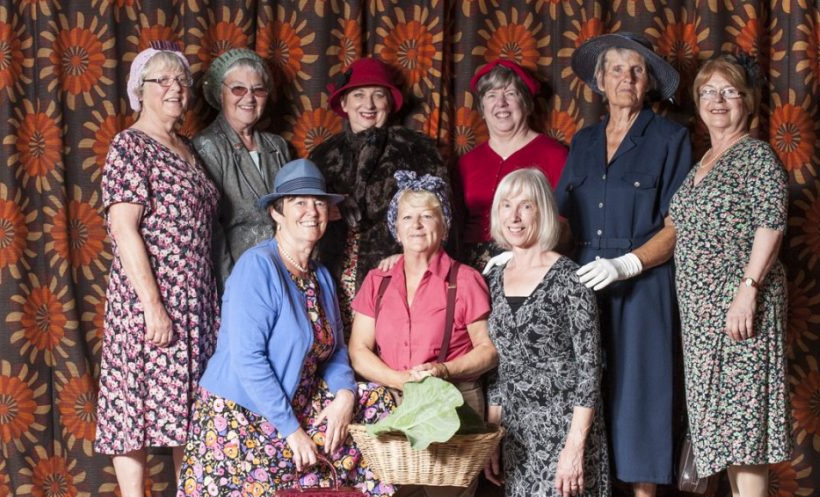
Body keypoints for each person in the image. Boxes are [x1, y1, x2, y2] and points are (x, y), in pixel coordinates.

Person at [174, 159, 397, 497]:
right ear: (277, 213)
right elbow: (248, 359)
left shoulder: (320, 276)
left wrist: (344, 395)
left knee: (375, 401)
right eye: (299, 203)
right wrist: (291, 430)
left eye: (319, 203)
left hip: (297, 405)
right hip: (243, 416)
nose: (312, 212)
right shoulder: (258, 267)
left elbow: (336, 351)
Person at [554, 32, 692, 497]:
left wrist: (629, 262)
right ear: (599, 80)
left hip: (644, 278)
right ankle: (596, 495)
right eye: (616, 70)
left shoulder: (670, 139)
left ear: (649, 82)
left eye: (637, 71)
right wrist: (520, 253)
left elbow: (680, 223)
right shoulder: (585, 140)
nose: (626, 79)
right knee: (589, 381)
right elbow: (560, 216)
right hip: (584, 275)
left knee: (643, 385)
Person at [95, 41, 219, 497]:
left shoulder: (186, 149)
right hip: (151, 298)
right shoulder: (129, 145)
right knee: (135, 404)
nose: (174, 88)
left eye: (181, 81)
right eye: (161, 80)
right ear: (139, 91)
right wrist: (152, 305)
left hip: (196, 300)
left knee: (188, 409)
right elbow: (123, 228)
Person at [670, 55, 790, 497]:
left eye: (729, 91)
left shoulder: (756, 154)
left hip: (738, 313)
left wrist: (748, 290)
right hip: (703, 322)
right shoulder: (705, 159)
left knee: (743, 434)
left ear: (749, 101)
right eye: (708, 92)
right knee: (725, 437)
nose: (717, 101)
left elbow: (770, 224)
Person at [347, 171, 499, 497]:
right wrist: (399, 380)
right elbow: (358, 350)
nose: (416, 225)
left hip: (454, 402)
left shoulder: (466, 279)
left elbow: (488, 350)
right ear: (395, 229)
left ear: (443, 227)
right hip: (395, 407)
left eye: (427, 216)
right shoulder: (377, 281)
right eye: (407, 217)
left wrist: (443, 370)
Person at [483, 168, 610, 497]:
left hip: (566, 430)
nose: (514, 216)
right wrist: (493, 435)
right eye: (506, 205)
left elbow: (589, 371)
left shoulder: (572, 279)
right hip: (518, 436)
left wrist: (575, 447)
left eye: (526, 206)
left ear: (543, 211)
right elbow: (497, 366)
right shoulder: (491, 279)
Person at [308, 57, 449, 332]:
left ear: (390, 103)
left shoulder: (416, 149)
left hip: (398, 276)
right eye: (358, 95)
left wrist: (408, 254)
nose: (368, 104)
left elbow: (442, 215)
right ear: (345, 104)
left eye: (378, 95)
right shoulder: (322, 155)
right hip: (331, 275)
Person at [194, 48, 293, 290]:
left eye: (258, 90)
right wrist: (232, 288)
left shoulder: (277, 146)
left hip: (284, 270)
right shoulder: (207, 146)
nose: (249, 98)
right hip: (239, 275)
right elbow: (211, 229)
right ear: (221, 93)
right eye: (238, 89)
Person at [457, 59, 568, 270]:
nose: (501, 103)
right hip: (471, 267)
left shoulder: (554, 154)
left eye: (510, 94)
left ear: (526, 103)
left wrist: (524, 258)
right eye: (491, 95)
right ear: (482, 108)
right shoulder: (466, 163)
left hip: (531, 264)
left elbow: (564, 223)